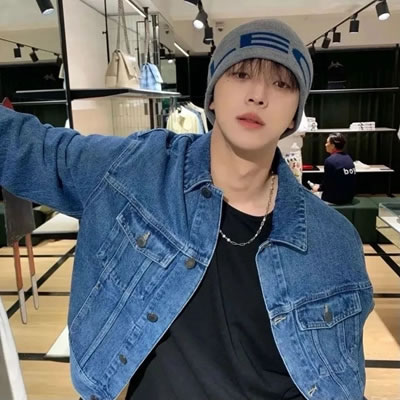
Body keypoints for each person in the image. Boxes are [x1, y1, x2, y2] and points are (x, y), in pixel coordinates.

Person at [0, 19, 373, 400]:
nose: (258, 95)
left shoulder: (332, 241)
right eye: (241, 74)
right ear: (211, 95)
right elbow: (28, 147)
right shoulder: (138, 170)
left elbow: (340, 381)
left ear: (295, 113)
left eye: (282, 84)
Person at [312, 132, 356, 205]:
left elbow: (327, 183)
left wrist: (318, 188)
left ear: (332, 146)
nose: (325, 145)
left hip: (334, 199)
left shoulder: (330, 161)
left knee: (310, 195)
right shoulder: (348, 158)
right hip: (349, 198)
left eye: (327, 142)